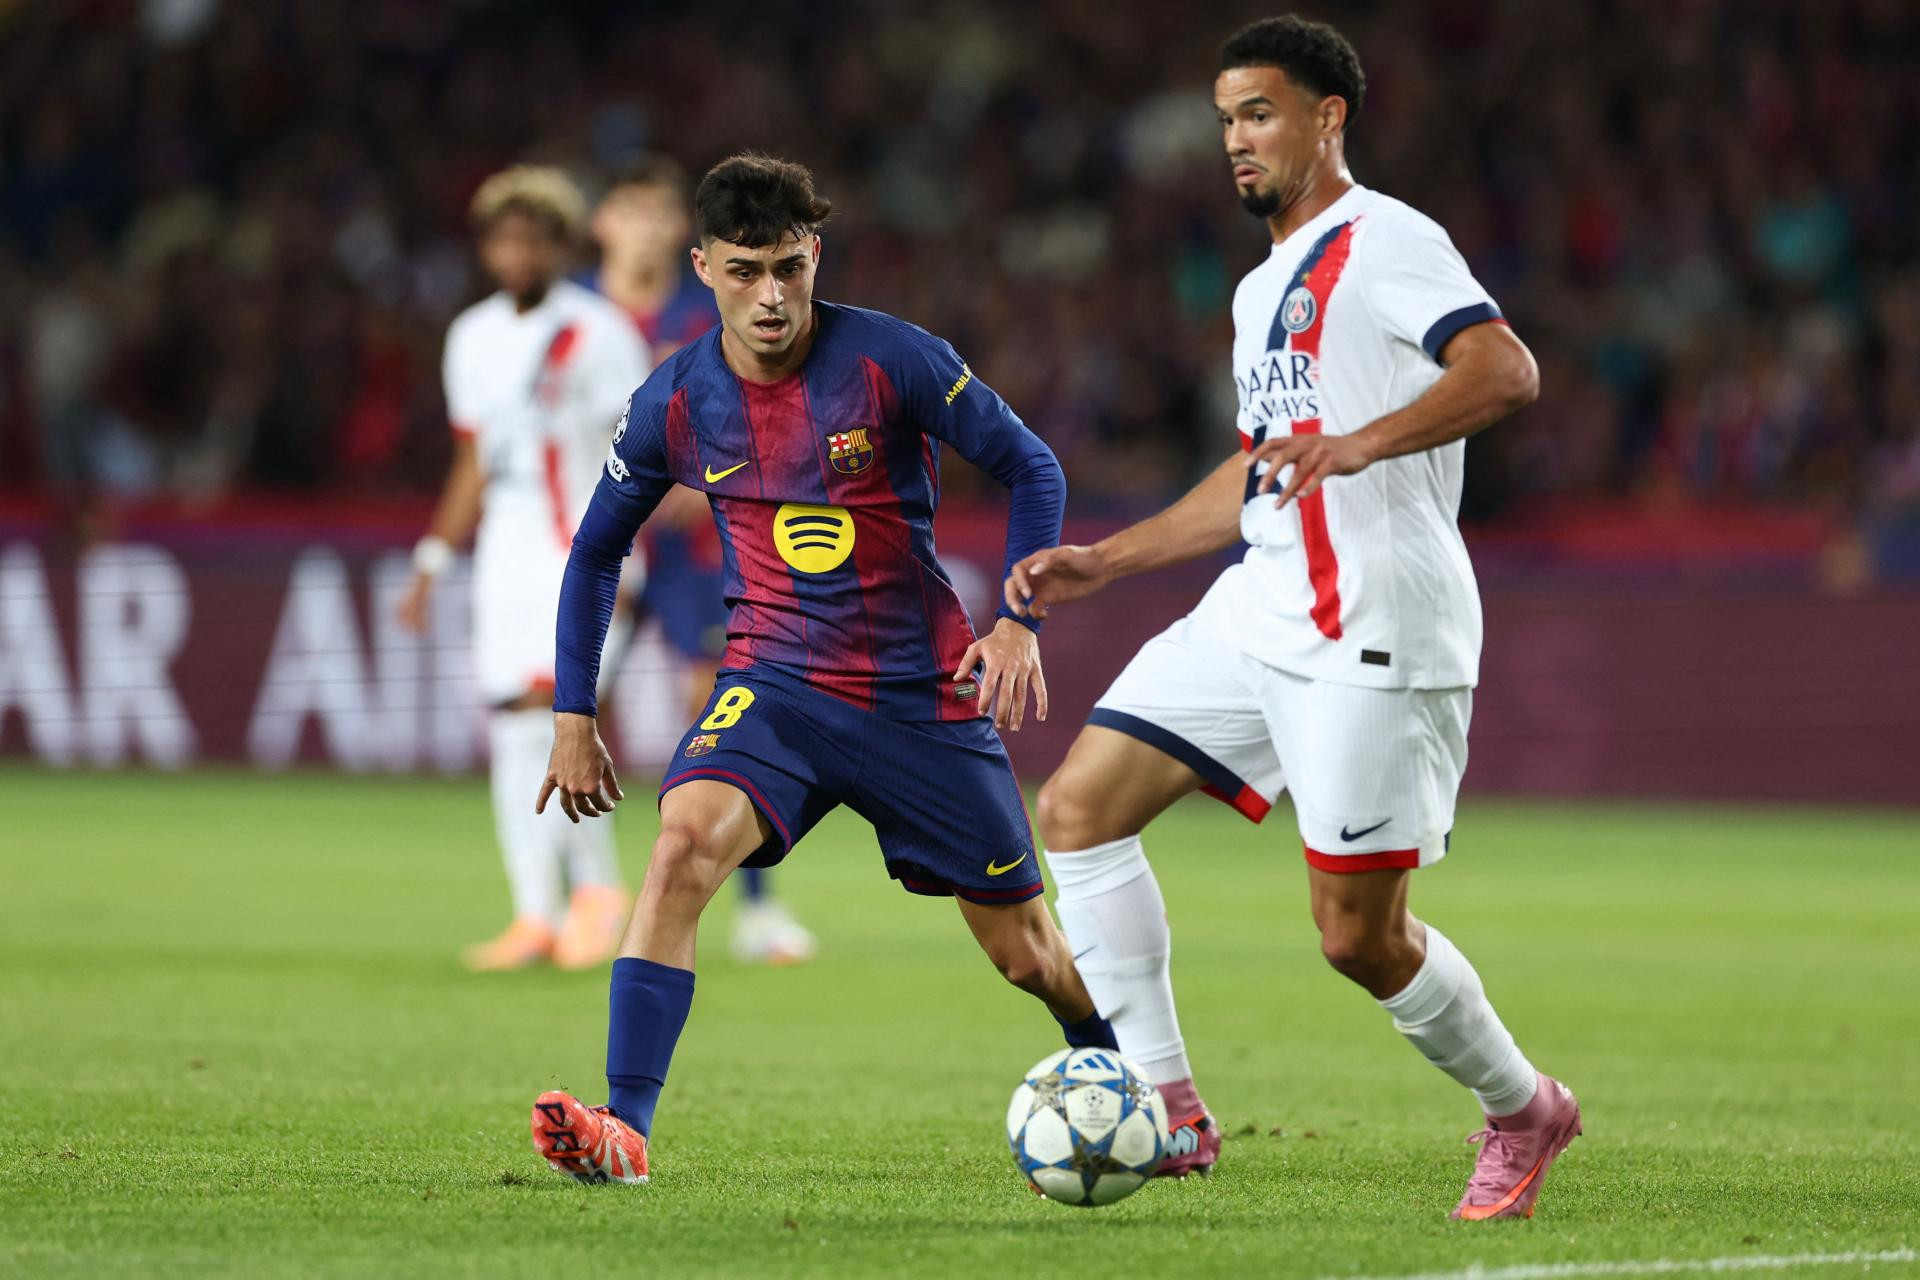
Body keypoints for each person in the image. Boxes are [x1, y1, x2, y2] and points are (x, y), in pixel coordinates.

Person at [1005, 16, 1578, 1219]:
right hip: (1262, 604)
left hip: (1376, 620)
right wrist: (1106, 559)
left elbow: (1505, 368)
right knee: (1077, 808)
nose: (1236, 140)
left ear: (1328, 118)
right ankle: (1169, 1106)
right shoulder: (1262, 284)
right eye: (1225, 119)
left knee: (1359, 938)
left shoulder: (1388, 239)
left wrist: (1361, 441)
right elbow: (1262, 467)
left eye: (1259, 113)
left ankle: (1525, 1107)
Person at [527, 153, 1114, 1185]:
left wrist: (1019, 620)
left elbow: (1033, 464)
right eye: (745, 270)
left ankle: (1127, 1076)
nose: (770, 295)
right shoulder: (675, 398)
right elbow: (595, 550)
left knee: (1028, 953)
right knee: (680, 848)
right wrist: (574, 714)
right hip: (775, 687)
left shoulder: (892, 359)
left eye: (788, 268)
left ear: (815, 257)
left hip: (919, 695)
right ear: (704, 268)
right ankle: (626, 1129)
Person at [398, 166, 651, 972]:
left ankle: (598, 891)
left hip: (584, 549)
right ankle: (535, 913)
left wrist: (632, 553)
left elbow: (645, 448)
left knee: (555, 714)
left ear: (561, 246)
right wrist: (433, 557)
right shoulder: (471, 336)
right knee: (512, 726)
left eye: (533, 240)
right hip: (505, 551)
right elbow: (472, 459)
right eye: (504, 240)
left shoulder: (599, 332)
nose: (517, 254)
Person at [588, 156, 817, 966]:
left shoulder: (708, 308)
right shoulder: (575, 314)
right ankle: (589, 896)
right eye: (631, 209)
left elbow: (764, 405)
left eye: (660, 213)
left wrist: (701, 475)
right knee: (577, 707)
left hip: (701, 547)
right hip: (608, 539)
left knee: (722, 713)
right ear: (602, 223)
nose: (645, 228)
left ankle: (754, 908)